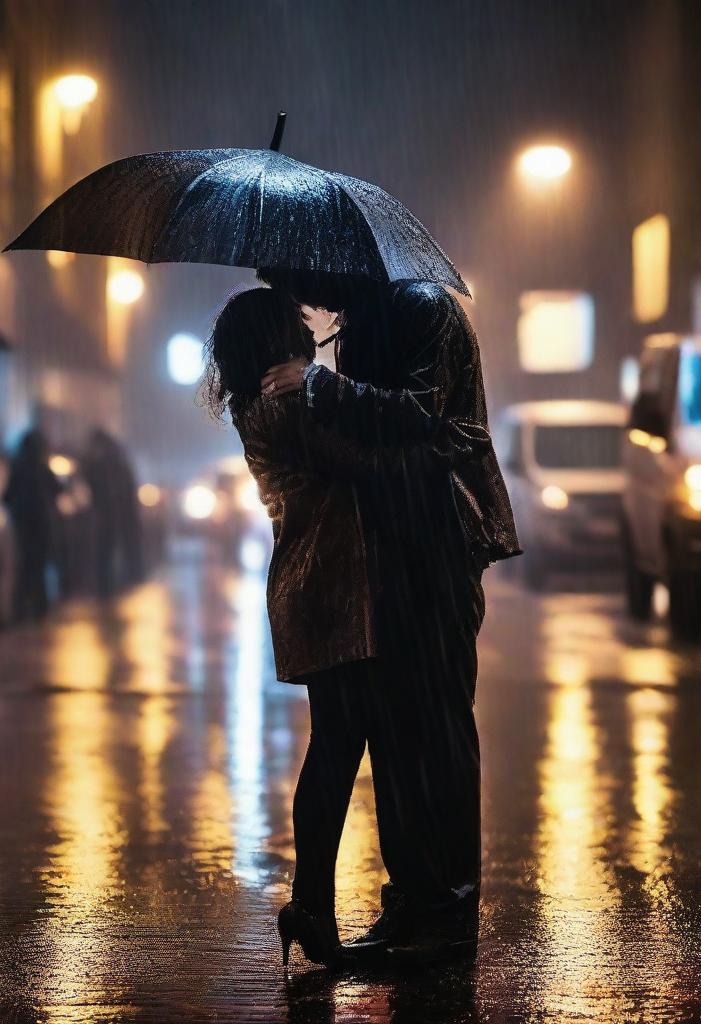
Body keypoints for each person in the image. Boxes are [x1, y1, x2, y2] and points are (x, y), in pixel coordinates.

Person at [205, 287, 495, 969]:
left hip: (318, 592)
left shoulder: (258, 403)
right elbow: (369, 463)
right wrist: (448, 446)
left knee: (340, 744)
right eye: (297, 327)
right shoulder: (286, 405)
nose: (311, 334)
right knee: (343, 748)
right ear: (277, 340)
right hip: (337, 593)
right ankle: (318, 905)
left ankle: (318, 906)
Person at [4, 428, 60, 621]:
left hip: (23, 525)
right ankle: (39, 608)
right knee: (38, 566)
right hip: (40, 525)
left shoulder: (18, 467)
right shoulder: (42, 468)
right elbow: (57, 490)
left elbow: (7, 496)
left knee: (26, 566)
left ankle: (23, 609)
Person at [84, 428, 145, 598]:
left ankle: (110, 586)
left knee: (107, 550)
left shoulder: (101, 462)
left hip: (109, 513)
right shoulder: (117, 460)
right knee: (118, 549)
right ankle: (124, 581)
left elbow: (95, 484)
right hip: (118, 512)